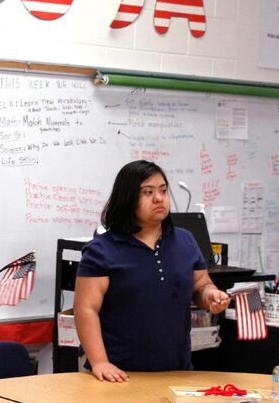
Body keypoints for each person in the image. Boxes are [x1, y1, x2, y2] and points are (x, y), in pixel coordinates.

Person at [74, 160, 230, 383]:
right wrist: (100, 362)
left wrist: (211, 296)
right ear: (127, 198)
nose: (159, 198)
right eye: (148, 192)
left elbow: (201, 285)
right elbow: (86, 309)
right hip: (118, 374)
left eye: (163, 191)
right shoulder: (102, 250)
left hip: (177, 369)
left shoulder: (185, 240)